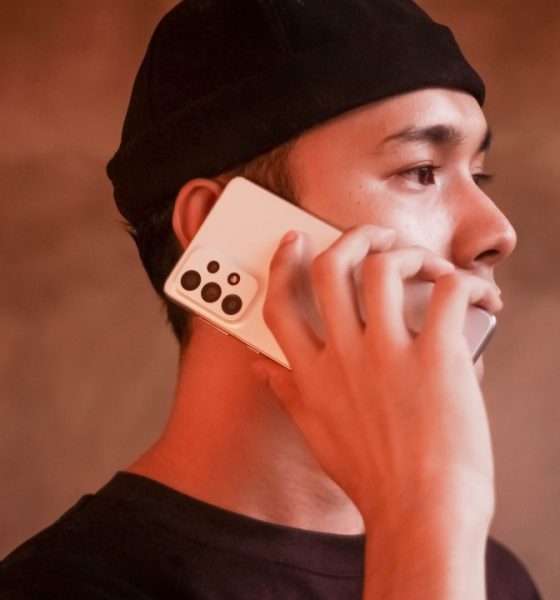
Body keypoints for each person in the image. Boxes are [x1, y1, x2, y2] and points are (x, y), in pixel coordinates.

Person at [0, 1, 542, 598]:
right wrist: (425, 510)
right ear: (216, 227)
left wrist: (434, 520)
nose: (497, 233)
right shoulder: (63, 587)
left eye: (479, 174)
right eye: (420, 170)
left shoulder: (493, 574)